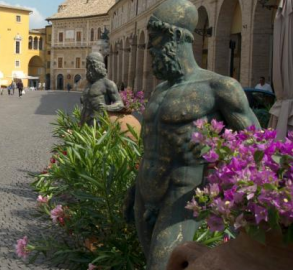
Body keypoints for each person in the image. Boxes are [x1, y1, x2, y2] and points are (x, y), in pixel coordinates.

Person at [133, 1, 261, 269]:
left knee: (159, 266)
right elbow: (150, 146)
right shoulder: (159, 92)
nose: (150, 49)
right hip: (144, 195)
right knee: (149, 261)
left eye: (155, 40)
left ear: (177, 36)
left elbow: (257, 148)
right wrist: (132, 191)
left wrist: (219, 151)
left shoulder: (219, 88)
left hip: (179, 198)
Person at [80, 52, 124, 126]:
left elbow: (120, 104)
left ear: (94, 65)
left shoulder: (107, 83)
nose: (86, 67)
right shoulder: (89, 84)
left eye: (88, 64)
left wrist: (107, 107)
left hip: (98, 124)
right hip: (84, 123)